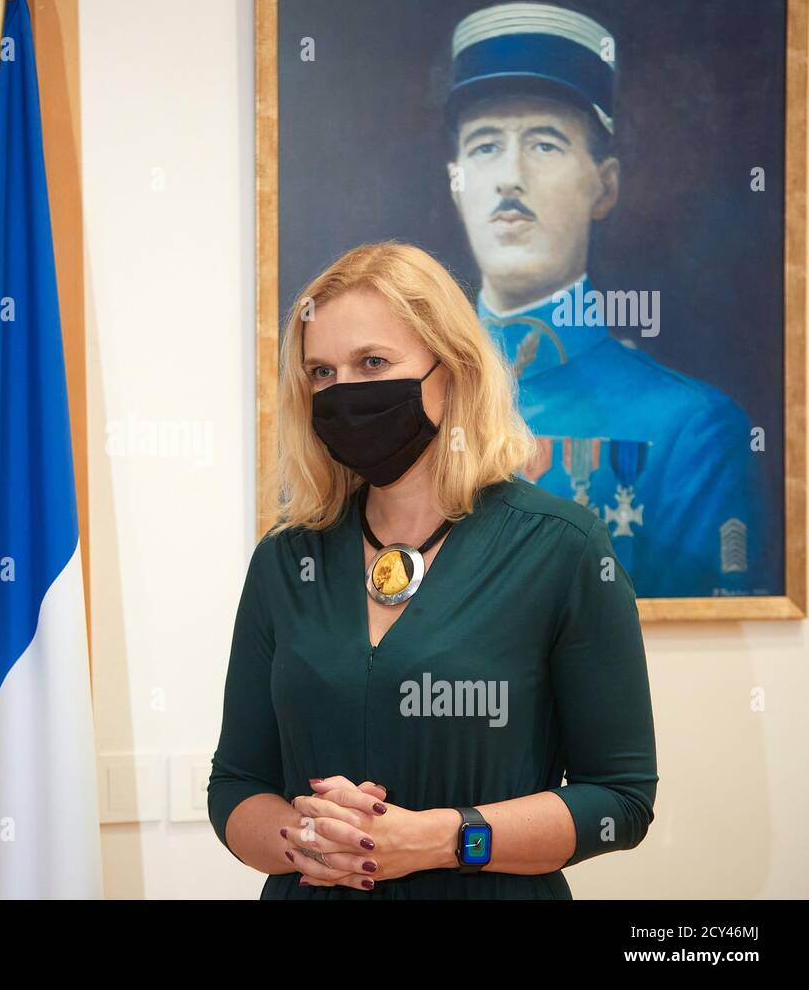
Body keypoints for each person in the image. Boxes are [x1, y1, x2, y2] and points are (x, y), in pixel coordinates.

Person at [207, 241, 658, 898]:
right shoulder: (286, 558)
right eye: (322, 373)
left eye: (372, 362)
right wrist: (305, 838)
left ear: (450, 370)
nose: (344, 393)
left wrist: (442, 839)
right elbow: (236, 783)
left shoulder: (563, 547)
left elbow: (620, 800)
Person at [445, 1, 763, 598]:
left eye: (545, 144)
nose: (510, 175)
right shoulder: (411, 411)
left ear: (605, 185)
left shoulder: (690, 430)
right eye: (486, 145)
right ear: (456, 183)